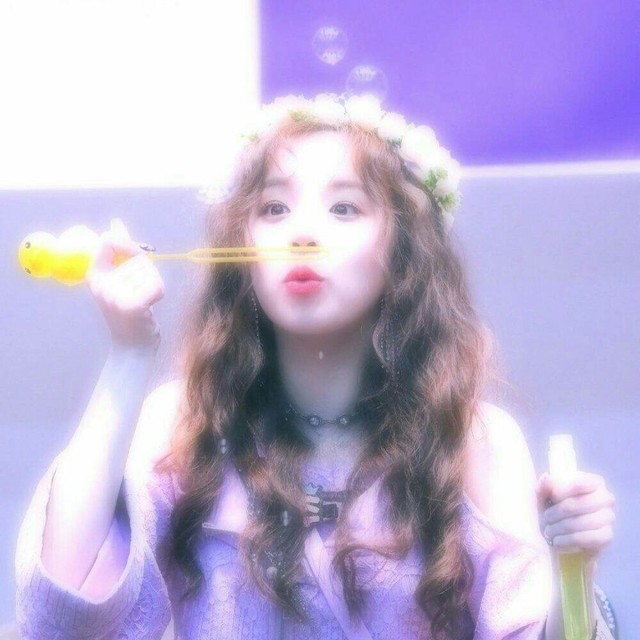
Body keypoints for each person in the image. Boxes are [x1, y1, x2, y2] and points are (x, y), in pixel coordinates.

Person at [15, 93, 617, 640]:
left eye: (345, 208)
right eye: (274, 208)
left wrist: (576, 567)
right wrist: (128, 354)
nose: (302, 233)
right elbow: (56, 621)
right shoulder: (182, 423)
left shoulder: (474, 440)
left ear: (404, 251)